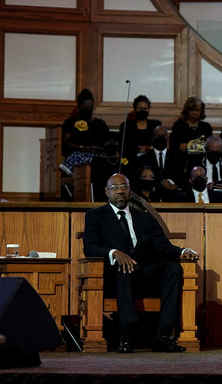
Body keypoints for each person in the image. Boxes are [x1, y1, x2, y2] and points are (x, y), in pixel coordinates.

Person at [82, 173, 198, 353]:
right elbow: (90, 248)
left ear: (129, 191)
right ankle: (126, 335)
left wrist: (183, 251)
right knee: (124, 269)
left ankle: (163, 336)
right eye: (115, 187)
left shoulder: (144, 217)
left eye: (124, 187)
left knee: (173, 269)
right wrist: (114, 252)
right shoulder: (96, 216)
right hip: (115, 275)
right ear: (107, 192)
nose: (120, 191)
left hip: (143, 272)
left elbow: (162, 246)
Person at [59, 89, 110, 176]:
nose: (88, 110)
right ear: (79, 107)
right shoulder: (70, 123)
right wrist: (81, 148)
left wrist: (99, 148)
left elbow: (107, 142)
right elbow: (66, 141)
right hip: (78, 154)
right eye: (85, 108)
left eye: (90, 108)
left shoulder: (100, 124)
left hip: (97, 156)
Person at [170, 97, 213, 174]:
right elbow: (178, 147)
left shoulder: (206, 127)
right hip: (183, 163)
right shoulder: (179, 126)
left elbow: (209, 147)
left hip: (203, 163)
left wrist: (188, 145)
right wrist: (201, 146)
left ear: (201, 111)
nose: (195, 113)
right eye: (192, 110)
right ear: (187, 111)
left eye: (198, 110)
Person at [119, 95, 161, 170]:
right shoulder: (126, 126)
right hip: (131, 162)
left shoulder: (156, 125)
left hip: (151, 161)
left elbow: (160, 145)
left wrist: (148, 149)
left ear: (149, 109)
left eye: (145, 108)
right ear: (135, 109)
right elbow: (123, 148)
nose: (142, 110)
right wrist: (137, 151)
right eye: (139, 108)